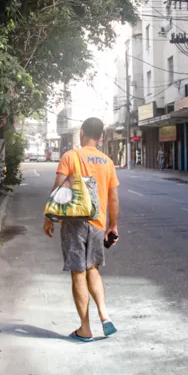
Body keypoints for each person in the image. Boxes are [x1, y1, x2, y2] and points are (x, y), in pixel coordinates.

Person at [43, 117, 120, 342]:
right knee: (93, 269)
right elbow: (114, 197)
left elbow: (58, 187)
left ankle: (85, 328)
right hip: (97, 223)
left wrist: (49, 217)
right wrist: (113, 226)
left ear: (82, 133)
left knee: (79, 272)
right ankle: (104, 314)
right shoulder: (107, 162)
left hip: (73, 222)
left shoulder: (70, 156)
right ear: (101, 137)